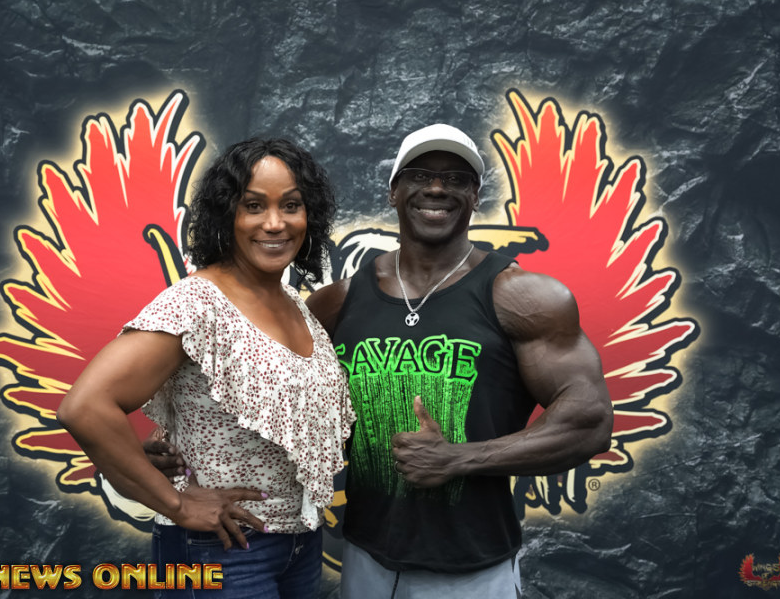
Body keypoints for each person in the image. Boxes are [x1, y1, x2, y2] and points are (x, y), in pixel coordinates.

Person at [147, 124, 613, 598]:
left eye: (456, 178)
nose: (437, 188)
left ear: (475, 196)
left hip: (471, 566)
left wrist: (459, 458)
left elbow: (588, 421)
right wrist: (177, 452)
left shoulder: (522, 297)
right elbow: (274, 397)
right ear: (394, 191)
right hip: (366, 557)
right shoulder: (337, 302)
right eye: (420, 175)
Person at [57, 138, 355, 599]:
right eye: (253, 205)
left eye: (291, 205)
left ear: (309, 216)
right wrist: (176, 504)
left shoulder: (295, 305)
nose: (275, 222)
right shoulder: (197, 303)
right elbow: (85, 407)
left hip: (300, 545)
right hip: (224, 549)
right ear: (226, 215)